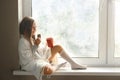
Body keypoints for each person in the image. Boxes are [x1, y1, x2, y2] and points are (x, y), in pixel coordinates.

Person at [18, 16, 87, 80]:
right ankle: (56, 66)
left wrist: (46, 45)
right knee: (49, 70)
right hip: (30, 64)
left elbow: (39, 52)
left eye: (35, 27)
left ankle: (73, 64)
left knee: (58, 47)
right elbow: (29, 59)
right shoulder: (23, 41)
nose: (35, 29)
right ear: (27, 28)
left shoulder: (32, 38)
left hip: (39, 59)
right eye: (33, 27)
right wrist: (36, 46)